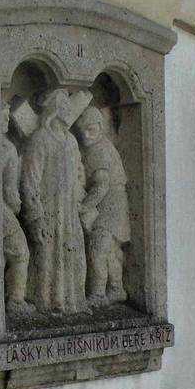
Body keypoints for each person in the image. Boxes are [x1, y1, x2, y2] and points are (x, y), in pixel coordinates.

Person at [20, 89, 87, 314]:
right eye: (64, 106)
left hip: (69, 211)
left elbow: (79, 172)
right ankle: (47, 302)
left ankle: (71, 301)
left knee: (73, 254)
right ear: (55, 110)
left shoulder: (71, 141)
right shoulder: (40, 139)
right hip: (48, 209)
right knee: (48, 255)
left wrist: (79, 196)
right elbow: (30, 180)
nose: (69, 110)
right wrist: (35, 217)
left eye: (69, 106)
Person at [74, 106, 130, 305]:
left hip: (109, 206)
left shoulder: (100, 150)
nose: (86, 135)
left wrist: (84, 206)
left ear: (100, 127)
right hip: (115, 204)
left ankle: (98, 293)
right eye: (82, 131)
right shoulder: (100, 146)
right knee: (110, 250)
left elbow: (101, 186)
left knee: (98, 248)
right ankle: (117, 288)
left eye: (91, 130)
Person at [0, 103, 32, 314]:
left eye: (7, 117)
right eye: (3, 117)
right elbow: (10, 192)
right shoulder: (7, 148)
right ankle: (16, 299)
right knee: (20, 252)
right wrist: (18, 206)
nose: (6, 121)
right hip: (0, 209)